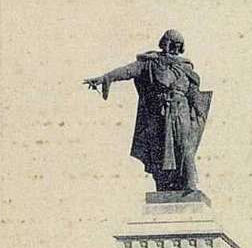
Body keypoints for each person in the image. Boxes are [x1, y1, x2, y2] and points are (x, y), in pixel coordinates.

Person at [83, 29, 211, 193]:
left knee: (185, 146)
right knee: (159, 151)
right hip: (158, 114)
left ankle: (190, 185)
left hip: (181, 111)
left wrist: (198, 114)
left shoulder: (185, 68)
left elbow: (193, 94)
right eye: (172, 45)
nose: (174, 49)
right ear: (164, 44)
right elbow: (127, 71)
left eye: (178, 46)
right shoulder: (150, 63)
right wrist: (105, 78)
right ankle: (164, 187)